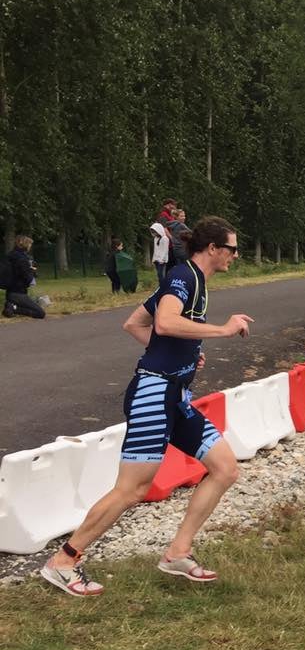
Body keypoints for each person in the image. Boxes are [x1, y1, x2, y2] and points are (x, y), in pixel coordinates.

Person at [40, 216, 254, 597]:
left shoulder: (193, 279)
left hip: (176, 396)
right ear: (213, 249)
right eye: (232, 249)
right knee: (132, 489)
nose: (235, 256)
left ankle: (177, 553)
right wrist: (221, 330)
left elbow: (136, 324)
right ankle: (64, 561)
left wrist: (183, 353)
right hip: (154, 393)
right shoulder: (184, 277)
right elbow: (166, 323)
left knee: (225, 468)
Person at [2, 235, 46, 319]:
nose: (30, 247)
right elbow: (27, 277)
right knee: (40, 313)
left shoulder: (10, 255)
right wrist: (32, 271)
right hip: (18, 293)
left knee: (32, 305)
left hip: (10, 291)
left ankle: (11, 306)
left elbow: (15, 272)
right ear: (25, 245)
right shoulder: (22, 258)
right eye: (29, 244)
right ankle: (13, 308)